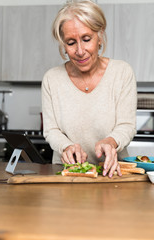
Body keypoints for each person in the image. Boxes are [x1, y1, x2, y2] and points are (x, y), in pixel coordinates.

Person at [42, 0, 137, 178]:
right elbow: (51, 130)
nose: (80, 50)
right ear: (63, 45)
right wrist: (66, 146)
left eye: (86, 39)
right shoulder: (51, 79)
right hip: (65, 173)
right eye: (71, 43)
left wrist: (111, 141)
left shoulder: (122, 72)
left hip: (113, 173)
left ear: (99, 36)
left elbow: (127, 125)